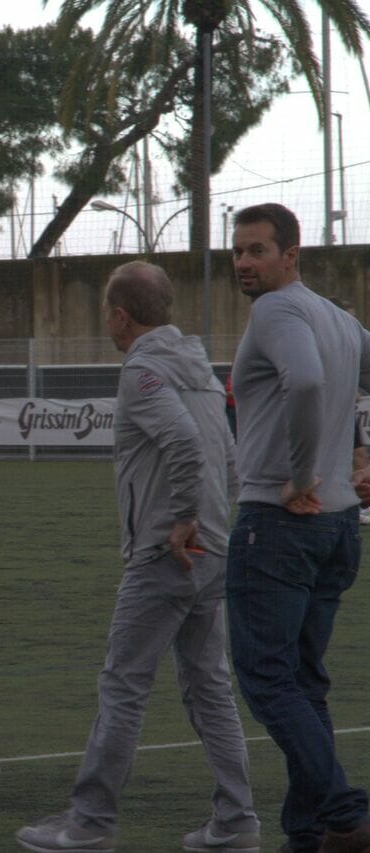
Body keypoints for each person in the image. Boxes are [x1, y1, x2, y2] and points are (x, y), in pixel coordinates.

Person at [15, 261, 259, 853]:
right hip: (212, 553)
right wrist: (218, 525)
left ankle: (90, 822)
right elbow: (228, 453)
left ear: (121, 316)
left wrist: (182, 518)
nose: (106, 323)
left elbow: (183, 445)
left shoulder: (143, 371)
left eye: (107, 313)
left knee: (123, 684)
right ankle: (237, 820)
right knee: (209, 687)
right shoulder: (197, 367)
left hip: (166, 555)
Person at [225, 203, 370, 853]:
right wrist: (359, 451)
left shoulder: (277, 311)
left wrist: (303, 472)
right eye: (238, 250)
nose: (244, 262)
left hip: (280, 520)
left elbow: (307, 381)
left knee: (267, 677)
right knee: (303, 681)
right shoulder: (343, 321)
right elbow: (342, 385)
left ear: (292, 254)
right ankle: (306, 829)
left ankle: (344, 811)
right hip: (340, 527)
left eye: (257, 249)